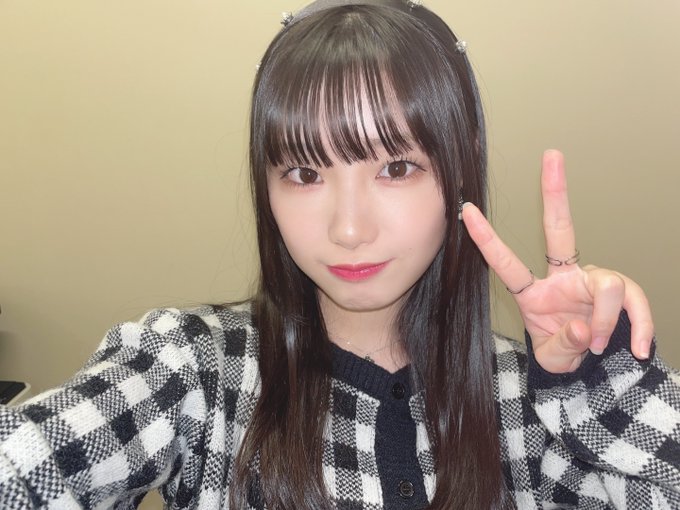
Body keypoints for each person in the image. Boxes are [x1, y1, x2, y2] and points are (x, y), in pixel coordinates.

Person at [0, 0, 678, 508]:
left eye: (396, 168)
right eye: (304, 173)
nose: (348, 229)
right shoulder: (191, 369)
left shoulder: (528, 399)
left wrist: (599, 381)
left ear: (459, 173)